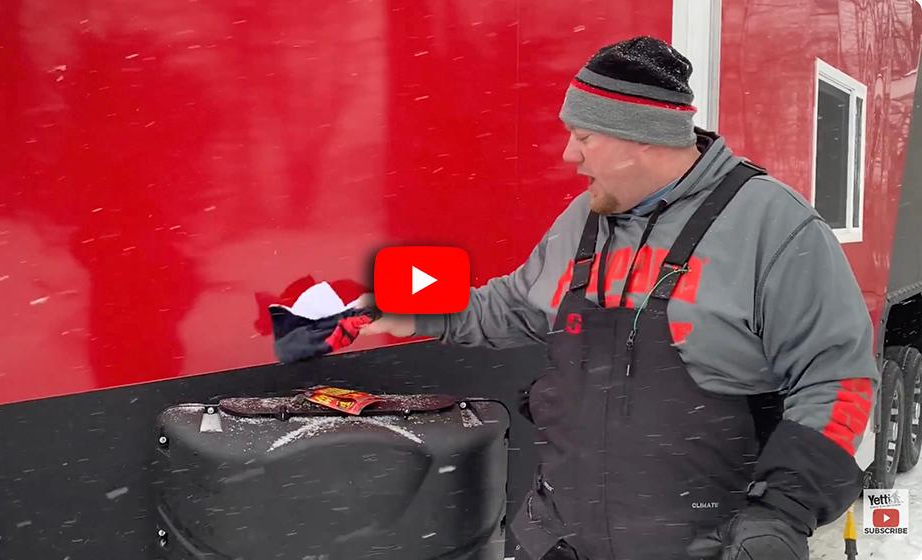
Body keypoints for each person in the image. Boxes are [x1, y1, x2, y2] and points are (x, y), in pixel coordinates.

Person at [360, 36, 878, 560]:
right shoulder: (583, 220)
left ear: (644, 139)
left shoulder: (772, 224)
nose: (569, 154)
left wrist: (783, 511)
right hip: (564, 538)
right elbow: (516, 305)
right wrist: (418, 314)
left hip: (706, 545)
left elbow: (838, 379)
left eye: (584, 136)